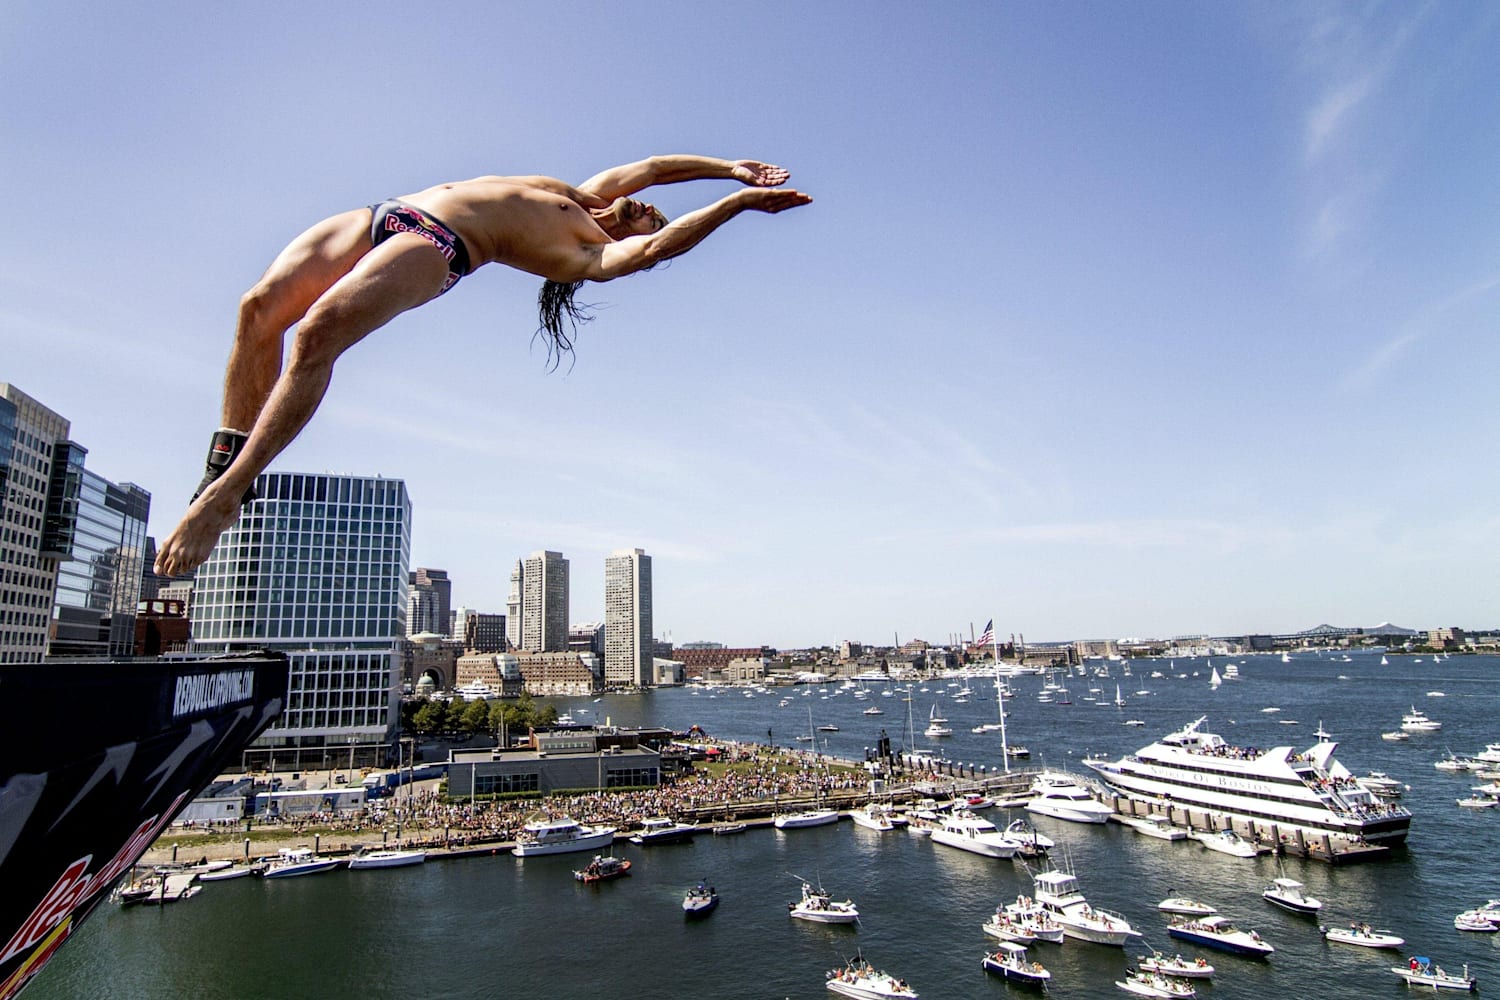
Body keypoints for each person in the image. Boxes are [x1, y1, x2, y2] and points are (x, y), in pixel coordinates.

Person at [153, 155, 811, 577]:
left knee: (315, 338)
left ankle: (226, 494)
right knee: (258, 309)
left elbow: (663, 243)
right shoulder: (582, 194)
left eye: (649, 220)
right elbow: (656, 167)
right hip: (382, 213)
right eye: (645, 207)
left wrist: (736, 205)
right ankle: (222, 466)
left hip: (435, 245)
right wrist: (729, 168)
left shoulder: (585, 255)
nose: (646, 208)